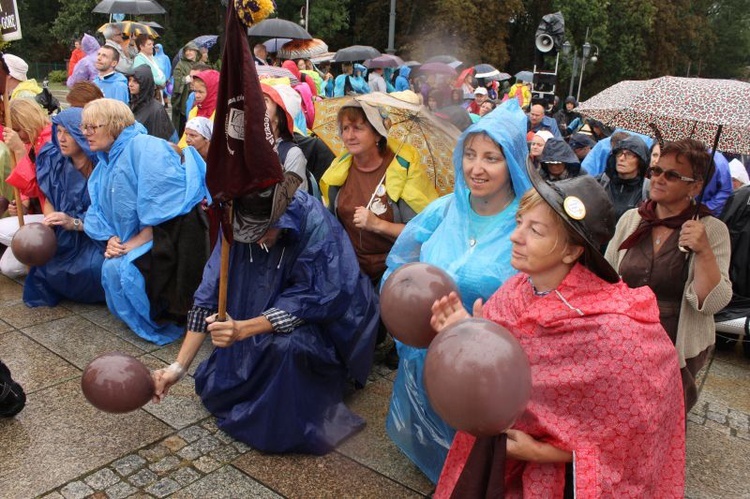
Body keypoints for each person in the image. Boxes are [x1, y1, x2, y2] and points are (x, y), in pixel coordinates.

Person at [432, 173, 685, 497]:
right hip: (494, 462)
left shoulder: (618, 334)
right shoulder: (516, 290)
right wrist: (467, 334)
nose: (515, 236)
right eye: (519, 221)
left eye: (534, 230)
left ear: (571, 252)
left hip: (558, 484)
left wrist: (542, 453)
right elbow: (498, 377)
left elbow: (634, 440)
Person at [151, 172, 380, 455]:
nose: (258, 240)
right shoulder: (233, 222)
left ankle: (283, 416)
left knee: (287, 347)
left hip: (321, 325)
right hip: (253, 312)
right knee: (232, 373)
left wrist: (243, 329)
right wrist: (178, 367)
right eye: (248, 232)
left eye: (263, 230)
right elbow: (207, 298)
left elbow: (316, 298)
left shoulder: (314, 223)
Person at [384, 100, 532, 484]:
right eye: (469, 155)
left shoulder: (527, 223)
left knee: (470, 457)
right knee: (428, 442)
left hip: (483, 369)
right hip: (424, 354)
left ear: (512, 162)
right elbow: (402, 261)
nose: (476, 168)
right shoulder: (446, 209)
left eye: (491, 158)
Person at [605, 138, 732, 411]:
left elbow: (711, 303)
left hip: (674, 349)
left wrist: (704, 250)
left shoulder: (711, 230)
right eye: (656, 171)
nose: (658, 179)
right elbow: (607, 281)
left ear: (695, 186)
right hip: (622, 343)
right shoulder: (632, 220)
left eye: (672, 175)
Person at [82, 98, 209, 345]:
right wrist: (112, 239)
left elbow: (166, 203)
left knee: (121, 269)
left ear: (114, 125)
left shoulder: (146, 148)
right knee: (112, 267)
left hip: (166, 237)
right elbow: (98, 209)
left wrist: (135, 241)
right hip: (131, 238)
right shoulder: (105, 161)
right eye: (84, 128)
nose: (86, 133)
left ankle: (157, 318)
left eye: (92, 127)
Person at [320, 99, 438, 288]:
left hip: (393, 275)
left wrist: (377, 225)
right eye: (345, 128)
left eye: (358, 128)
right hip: (349, 272)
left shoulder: (402, 169)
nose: (349, 136)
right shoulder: (340, 169)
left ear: (377, 133)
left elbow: (419, 234)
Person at [23, 107, 106, 307]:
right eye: (58, 131)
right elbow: (49, 197)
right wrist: (50, 220)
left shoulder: (102, 166)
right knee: (48, 263)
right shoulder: (54, 160)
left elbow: (107, 215)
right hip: (64, 232)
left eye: (68, 132)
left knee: (94, 267)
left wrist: (75, 222)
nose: (61, 138)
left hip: (93, 235)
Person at [0, 98, 52, 277]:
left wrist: (20, 151)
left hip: (54, 217)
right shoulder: (32, 140)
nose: (18, 134)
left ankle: (50, 258)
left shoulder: (49, 141)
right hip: (41, 213)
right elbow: (27, 191)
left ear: (27, 122)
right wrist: (22, 204)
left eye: (18, 129)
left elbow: (39, 186)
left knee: (1, 229)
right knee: (8, 267)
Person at [261, 84, 309, 193]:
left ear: (278, 117)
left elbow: (295, 203)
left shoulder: (292, 155)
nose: (256, 104)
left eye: (265, 100)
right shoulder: (245, 147)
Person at [597, 134, 650, 221]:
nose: (621, 158)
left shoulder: (648, 190)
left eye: (628, 154)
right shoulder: (601, 182)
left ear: (640, 161)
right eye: (619, 153)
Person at [129, 65, 177, 142]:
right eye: (130, 80)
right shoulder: (133, 104)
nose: (130, 84)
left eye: (135, 81)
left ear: (144, 83)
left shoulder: (156, 109)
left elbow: (160, 139)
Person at [177, 69, 219, 149]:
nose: (196, 95)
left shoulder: (222, 113)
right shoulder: (194, 111)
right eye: (195, 91)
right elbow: (185, 139)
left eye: (200, 92)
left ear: (213, 92)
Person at [171, 42, 201, 135]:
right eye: (186, 51)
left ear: (196, 52)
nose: (188, 53)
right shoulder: (181, 64)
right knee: (183, 123)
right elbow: (176, 80)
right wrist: (186, 79)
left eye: (191, 50)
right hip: (184, 97)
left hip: (198, 97)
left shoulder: (200, 64)